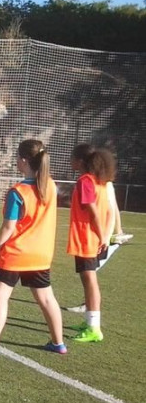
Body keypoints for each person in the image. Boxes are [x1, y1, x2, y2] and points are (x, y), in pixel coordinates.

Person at [0, 139, 66, 360]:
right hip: (41, 255)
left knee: (0, 298)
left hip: (16, 254)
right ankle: (58, 342)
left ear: (24, 160)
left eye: (17, 159)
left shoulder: (18, 192)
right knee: (47, 299)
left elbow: (8, 227)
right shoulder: (49, 185)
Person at [66, 145, 116, 343]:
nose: (70, 162)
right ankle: (89, 321)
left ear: (79, 161)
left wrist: (102, 235)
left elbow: (93, 211)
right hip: (93, 238)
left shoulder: (85, 181)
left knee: (90, 281)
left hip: (88, 238)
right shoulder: (99, 181)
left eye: (72, 158)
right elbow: (109, 210)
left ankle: (94, 327)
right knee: (88, 281)